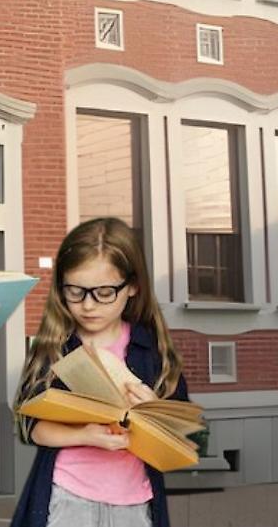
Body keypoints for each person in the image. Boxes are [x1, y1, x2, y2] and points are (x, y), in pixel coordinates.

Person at [10, 217, 188, 527]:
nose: (88, 306)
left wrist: (151, 414)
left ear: (132, 286)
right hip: (67, 496)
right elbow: (32, 428)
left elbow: (186, 440)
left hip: (134, 501)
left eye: (104, 292)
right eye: (75, 292)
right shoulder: (55, 347)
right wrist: (85, 435)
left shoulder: (152, 350)